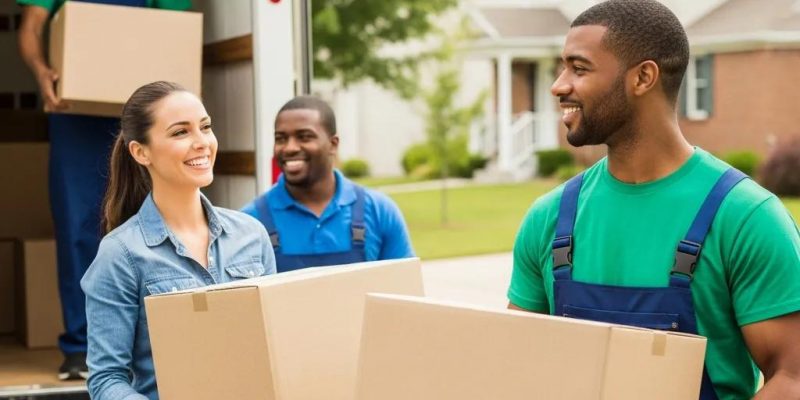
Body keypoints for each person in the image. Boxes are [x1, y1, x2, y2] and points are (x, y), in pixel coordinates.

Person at [506, 1, 800, 399]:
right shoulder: (549, 218)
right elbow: (516, 365)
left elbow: (791, 377)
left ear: (643, 77)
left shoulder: (746, 218)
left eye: (579, 68)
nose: (559, 85)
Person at [16, 0, 192, 380]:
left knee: (151, 220)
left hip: (142, 112)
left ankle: (151, 340)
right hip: (74, 111)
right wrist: (42, 72)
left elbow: (173, 28)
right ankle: (82, 347)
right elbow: (31, 27)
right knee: (78, 225)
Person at [80, 81, 277, 400]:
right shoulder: (120, 254)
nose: (201, 143)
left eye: (205, 127)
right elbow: (106, 380)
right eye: (180, 132)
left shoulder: (251, 235)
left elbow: (273, 347)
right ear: (141, 152)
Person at [241, 96, 414, 272]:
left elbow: (404, 292)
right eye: (281, 138)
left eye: (304, 137)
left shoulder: (380, 211)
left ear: (333, 144)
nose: (290, 148)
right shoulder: (251, 221)